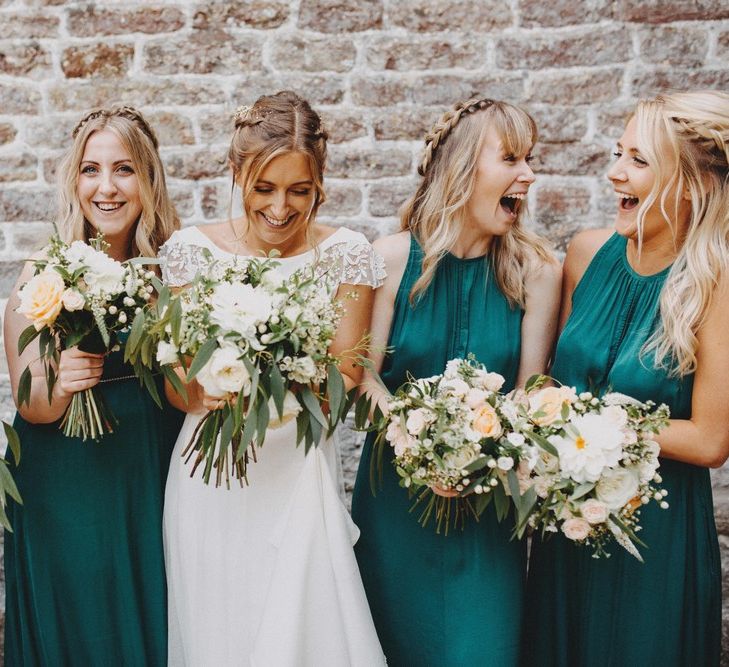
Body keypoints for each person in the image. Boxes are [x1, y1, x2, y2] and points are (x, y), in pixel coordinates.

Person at [159, 90, 386, 666]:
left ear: (320, 183)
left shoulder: (346, 255)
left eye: (299, 191)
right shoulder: (189, 251)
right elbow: (176, 387)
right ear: (236, 172)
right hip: (212, 483)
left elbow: (343, 383)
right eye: (264, 187)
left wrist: (271, 362)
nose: (281, 208)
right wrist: (207, 385)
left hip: (299, 477)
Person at [350, 97, 562, 666]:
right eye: (512, 158)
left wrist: (478, 453)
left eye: (530, 159)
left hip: (488, 514)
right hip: (394, 504)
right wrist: (419, 445)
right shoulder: (391, 260)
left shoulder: (538, 271)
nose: (529, 175)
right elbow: (359, 378)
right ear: (464, 168)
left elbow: (531, 389)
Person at [523, 91, 729, 666]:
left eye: (639, 160)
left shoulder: (716, 285)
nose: (615, 172)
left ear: (693, 184)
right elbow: (549, 385)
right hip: (567, 528)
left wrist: (599, 423)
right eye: (619, 153)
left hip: (654, 541)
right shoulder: (588, 254)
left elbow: (712, 441)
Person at [3, 106, 184, 665]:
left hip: (148, 465)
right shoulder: (45, 270)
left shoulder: (173, 271)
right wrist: (60, 388)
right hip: (68, 475)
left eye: (124, 169)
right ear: (73, 180)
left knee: (153, 610)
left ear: (148, 180)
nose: (106, 187)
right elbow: (27, 400)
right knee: (82, 623)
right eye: (91, 169)